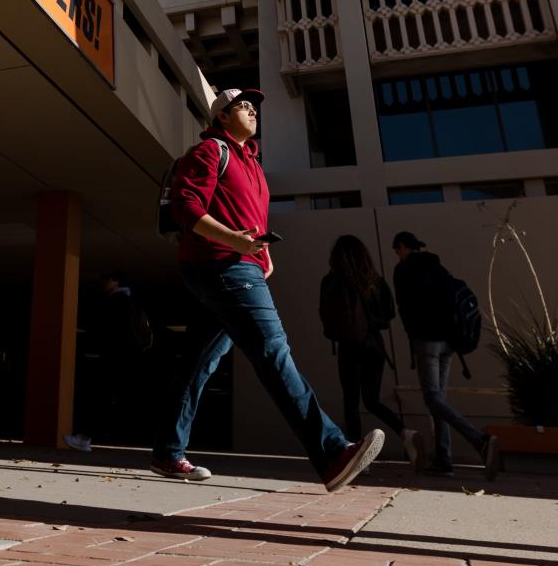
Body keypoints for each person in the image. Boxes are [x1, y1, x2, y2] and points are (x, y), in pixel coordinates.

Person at [160, 87, 384, 490]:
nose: (251, 110)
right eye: (241, 106)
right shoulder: (211, 152)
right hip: (222, 265)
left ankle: (167, 450)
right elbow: (186, 207)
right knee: (272, 351)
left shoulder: (252, 164)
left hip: (241, 263)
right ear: (221, 117)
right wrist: (237, 244)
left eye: (253, 106)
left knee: (200, 361)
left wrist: (262, 255)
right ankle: (332, 453)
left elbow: (251, 222)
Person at [392, 231, 499, 479]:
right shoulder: (438, 267)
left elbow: (404, 308)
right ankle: (443, 459)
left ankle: (480, 440)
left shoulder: (404, 270)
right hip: (448, 343)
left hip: (426, 341)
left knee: (431, 398)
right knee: (439, 400)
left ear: (403, 247)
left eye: (397, 250)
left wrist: (413, 333)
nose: (397, 255)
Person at [319, 235, 425, 468]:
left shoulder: (332, 281)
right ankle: (405, 433)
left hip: (349, 346)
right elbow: (388, 313)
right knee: (372, 400)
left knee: (351, 402)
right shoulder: (374, 280)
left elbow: (326, 319)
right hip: (374, 346)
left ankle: (358, 459)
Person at [65, 271, 153, 451]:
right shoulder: (132, 302)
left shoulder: (116, 301)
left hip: (114, 356)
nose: (102, 283)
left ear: (115, 281)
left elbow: (106, 331)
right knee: (112, 397)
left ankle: (85, 438)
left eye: (105, 280)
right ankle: (88, 437)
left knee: (101, 396)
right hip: (128, 357)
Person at [151, 312, 232, 479]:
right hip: (234, 297)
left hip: (240, 295)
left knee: (274, 357)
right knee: (194, 371)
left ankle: (167, 454)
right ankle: (169, 454)